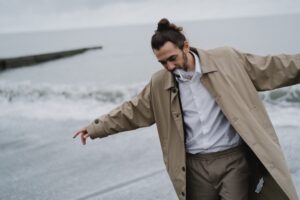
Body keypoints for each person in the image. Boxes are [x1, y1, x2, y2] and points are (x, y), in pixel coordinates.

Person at [73, 18, 300, 200]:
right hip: (194, 167)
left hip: (233, 160)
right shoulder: (160, 83)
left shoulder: (227, 59)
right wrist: (96, 128)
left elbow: (272, 67)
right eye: (162, 62)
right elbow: (132, 111)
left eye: (172, 58)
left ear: (186, 46)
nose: (169, 66)